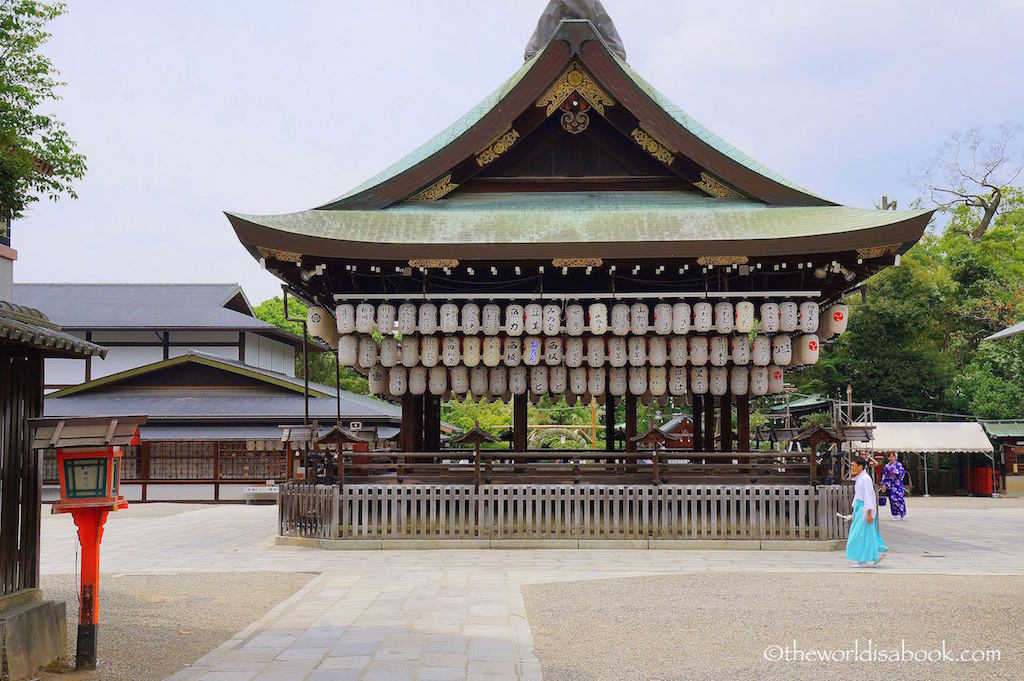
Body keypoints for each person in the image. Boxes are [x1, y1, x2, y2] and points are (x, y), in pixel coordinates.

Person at [845, 456, 888, 567]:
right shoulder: (861, 477)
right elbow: (852, 478)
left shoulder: (866, 479)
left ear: (860, 466)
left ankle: (862, 559)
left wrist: (869, 513)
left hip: (865, 508)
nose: (852, 467)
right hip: (860, 508)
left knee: (860, 534)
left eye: (854, 465)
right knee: (865, 534)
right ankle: (877, 552)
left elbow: (869, 496)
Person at [881, 452, 907, 519]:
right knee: (892, 500)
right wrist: (884, 484)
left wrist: (894, 472)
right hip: (890, 485)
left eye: (892, 457)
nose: (891, 458)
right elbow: (884, 476)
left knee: (900, 499)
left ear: (895, 457)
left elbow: (902, 474)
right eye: (890, 457)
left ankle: (902, 513)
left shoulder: (899, 465)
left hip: (898, 484)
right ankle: (894, 514)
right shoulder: (887, 466)